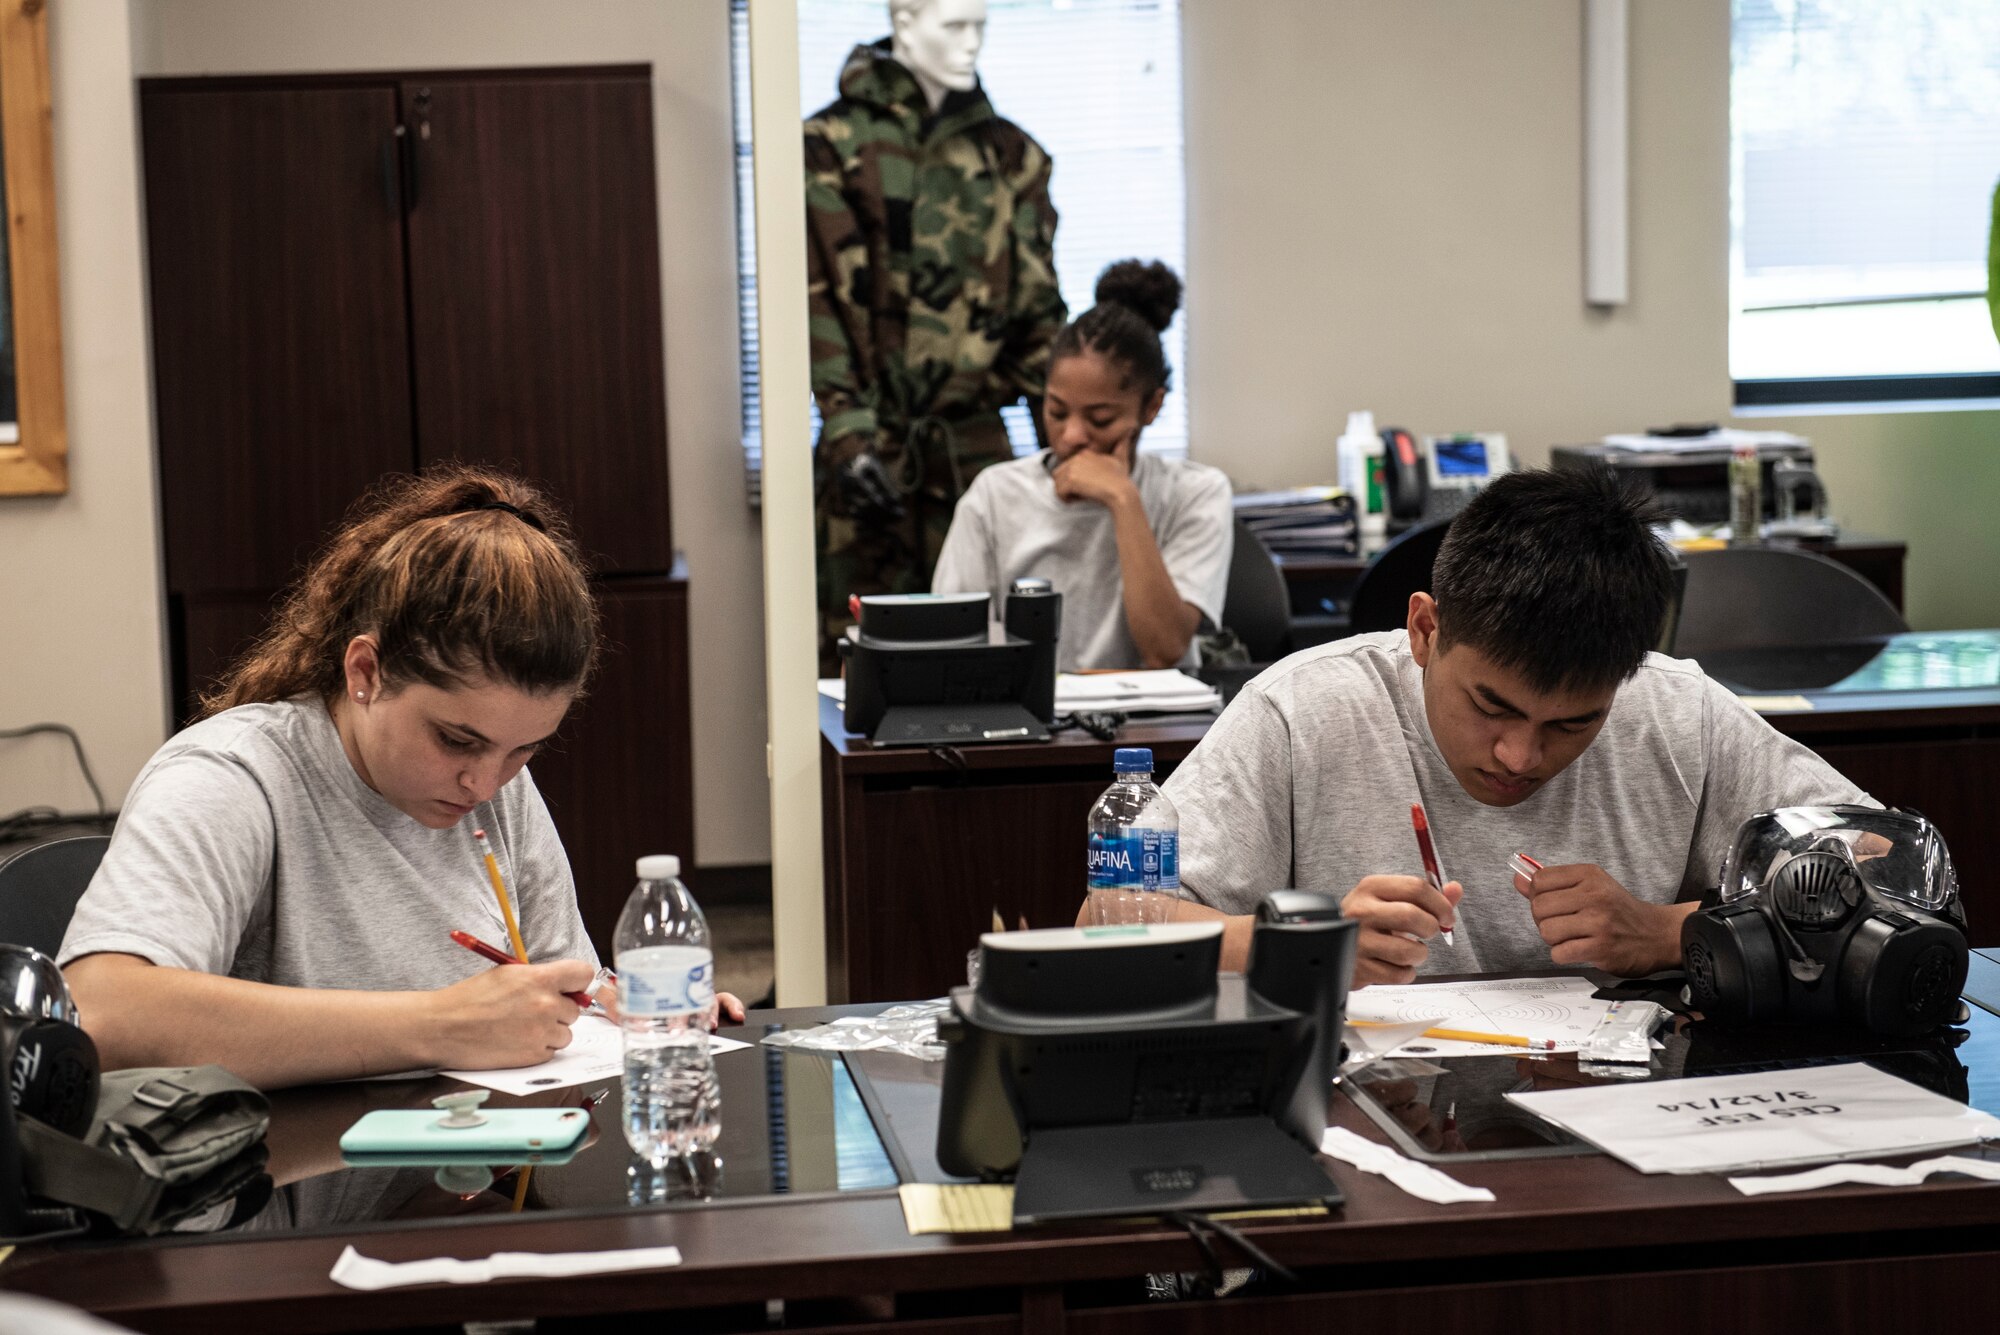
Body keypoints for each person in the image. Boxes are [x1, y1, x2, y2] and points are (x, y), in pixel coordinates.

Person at [59, 467, 741, 1090]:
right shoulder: (233, 778)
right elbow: (101, 1011)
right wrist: (438, 1025)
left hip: (462, 1189)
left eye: (523, 750)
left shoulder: (494, 784)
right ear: (365, 672)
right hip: (278, 1201)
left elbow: (564, 998)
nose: (483, 782)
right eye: (454, 738)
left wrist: (621, 1004)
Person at [1147, 467, 1872, 984]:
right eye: (1492, 706)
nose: (1520, 755)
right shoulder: (1302, 709)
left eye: (1574, 722)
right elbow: (1114, 921)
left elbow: (1888, 869)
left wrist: (1668, 933)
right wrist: (1299, 945)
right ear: (1426, 628)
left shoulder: (1677, 712)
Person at [806, 0, 1068, 672]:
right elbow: (813, 301)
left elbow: (1041, 317)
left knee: (992, 664)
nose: (970, 43)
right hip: (869, 449)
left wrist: (1064, 449)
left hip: (974, 447)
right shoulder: (827, 145)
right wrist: (848, 428)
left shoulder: (1014, 156)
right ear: (904, 21)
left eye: (981, 25)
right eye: (953, 25)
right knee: (860, 669)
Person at [931, 260, 1232, 671]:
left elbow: (1164, 648)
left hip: (1157, 731)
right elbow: (953, 651)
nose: (1072, 436)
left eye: (1100, 419)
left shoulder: (1195, 492)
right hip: (1027, 729)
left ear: (1152, 407)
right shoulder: (994, 495)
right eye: (1056, 411)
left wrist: (1124, 500)